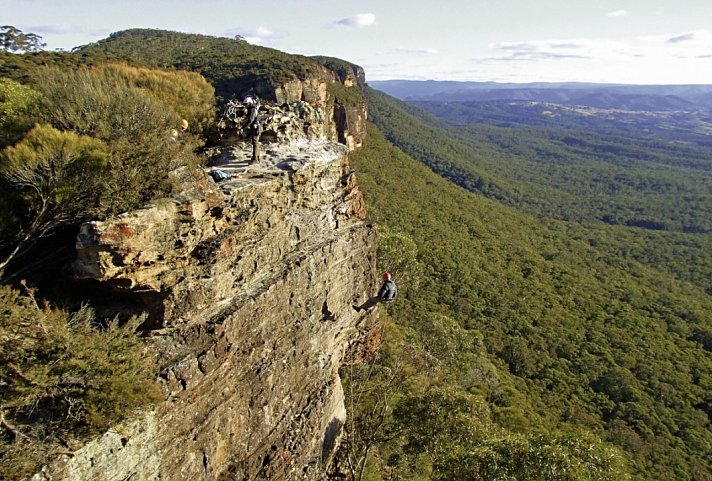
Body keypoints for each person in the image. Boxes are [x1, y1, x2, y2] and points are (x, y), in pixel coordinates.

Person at [244, 95, 262, 163]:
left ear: (249, 103)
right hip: (255, 127)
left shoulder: (253, 109)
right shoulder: (252, 108)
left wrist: (244, 127)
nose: (245, 105)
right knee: (255, 143)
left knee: (255, 143)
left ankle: (255, 159)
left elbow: (250, 120)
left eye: (246, 104)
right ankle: (256, 158)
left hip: (256, 127)